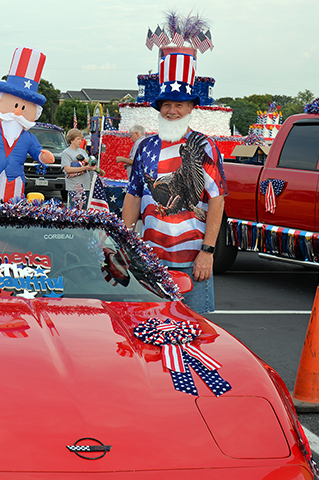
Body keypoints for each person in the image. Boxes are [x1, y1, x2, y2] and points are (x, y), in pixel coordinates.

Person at [122, 48, 226, 314]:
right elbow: (133, 196)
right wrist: (124, 244)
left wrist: (208, 251)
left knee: (196, 328)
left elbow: (217, 200)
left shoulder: (204, 146)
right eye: (167, 104)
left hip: (192, 259)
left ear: (191, 107)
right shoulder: (145, 147)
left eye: (179, 105)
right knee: (149, 324)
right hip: (149, 258)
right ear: (159, 108)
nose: (172, 111)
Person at [0, 46, 54, 200]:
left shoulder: (28, 137)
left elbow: (37, 153)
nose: (18, 111)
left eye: (23, 108)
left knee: (12, 208)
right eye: (15, 106)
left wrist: (44, 157)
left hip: (13, 181)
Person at [61, 128, 95, 207]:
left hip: (86, 186)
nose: (80, 141)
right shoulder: (66, 153)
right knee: (76, 210)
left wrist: (91, 165)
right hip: (75, 187)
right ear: (71, 140)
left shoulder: (83, 151)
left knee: (84, 210)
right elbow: (67, 169)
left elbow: (88, 165)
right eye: (78, 139)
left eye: (81, 139)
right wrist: (84, 168)